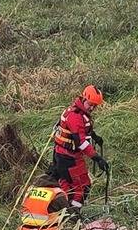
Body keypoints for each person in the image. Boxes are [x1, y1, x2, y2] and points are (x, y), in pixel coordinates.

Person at [46, 85, 107, 213]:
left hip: (63, 155)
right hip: (69, 158)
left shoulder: (76, 112)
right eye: (90, 104)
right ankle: (73, 214)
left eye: (95, 106)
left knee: (67, 186)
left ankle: (65, 212)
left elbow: (82, 130)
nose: (92, 108)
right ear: (84, 99)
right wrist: (97, 158)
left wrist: (94, 136)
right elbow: (81, 142)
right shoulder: (75, 116)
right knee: (82, 187)